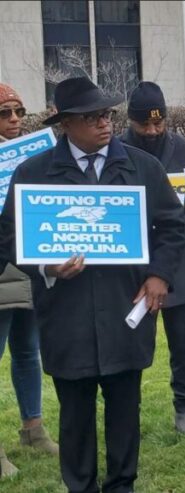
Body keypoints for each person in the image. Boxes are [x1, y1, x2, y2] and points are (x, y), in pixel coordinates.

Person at [0, 76, 185, 492]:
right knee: (75, 415)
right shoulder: (33, 174)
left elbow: (174, 228)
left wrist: (159, 275)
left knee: (125, 411)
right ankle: (79, 485)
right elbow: (10, 239)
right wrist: (46, 267)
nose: (104, 123)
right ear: (66, 124)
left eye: (106, 114)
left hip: (125, 311)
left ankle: (122, 484)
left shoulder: (143, 167)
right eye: (91, 117)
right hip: (67, 317)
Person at [119, 81, 185, 433]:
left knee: (183, 344)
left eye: (159, 123)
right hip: (130, 267)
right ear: (130, 121)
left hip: (178, 261)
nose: (152, 131)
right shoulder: (115, 151)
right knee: (130, 343)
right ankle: (128, 407)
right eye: (144, 125)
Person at [0, 83, 59, 479]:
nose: (16, 120)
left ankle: (33, 429)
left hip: (28, 263)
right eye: (5, 113)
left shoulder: (35, 154)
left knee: (27, 350)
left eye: (19, 111)